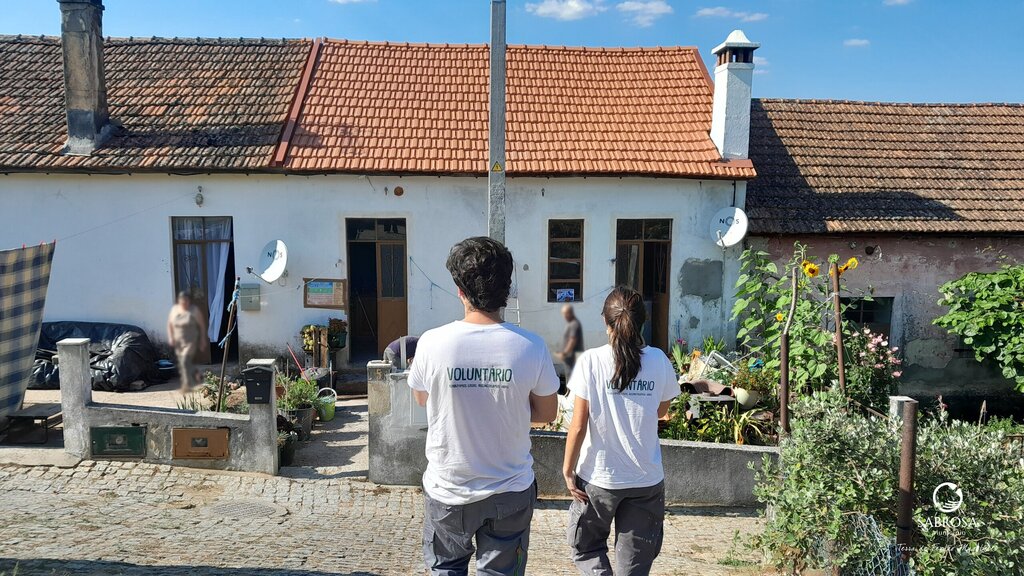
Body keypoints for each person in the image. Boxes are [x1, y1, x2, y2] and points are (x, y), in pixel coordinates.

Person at [408, 236, 560, 576]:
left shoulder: (432, 343)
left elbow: (421, 398)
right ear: (506, 289)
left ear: (459, 290)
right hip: (510, 488)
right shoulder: (531, 346)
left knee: (446, 569)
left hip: (449, 490)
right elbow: (547, 414)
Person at [562, 286, 680, 576]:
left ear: (605, 321)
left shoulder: (590, 361)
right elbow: (661, 411)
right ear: (643, 321)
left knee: (587, 549)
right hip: (645, 480)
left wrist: (567, 469)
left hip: (598, 478)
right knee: (634, 565)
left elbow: (578, 425)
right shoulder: (659, 360)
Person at [167, 291, 207, 393]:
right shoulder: (175, 310)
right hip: (178, 341)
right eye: (183, 301)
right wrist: (171, 337)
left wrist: (202, 339)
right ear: (179, 301)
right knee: (183, 362)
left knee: (184, 361)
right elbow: (170, 324)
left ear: (189, 301)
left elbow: (202, 326)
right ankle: (197, 374)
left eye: (186, 301)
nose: (185, 303)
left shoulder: (194, 310)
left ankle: (187, 385)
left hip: (191, 341)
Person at [556, 304, 584, 378]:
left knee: (572, 378)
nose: (564, 316)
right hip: (571, 357)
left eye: (565, 314)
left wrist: (564, 353)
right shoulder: (572, 323)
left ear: (570, 313)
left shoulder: (574, 324)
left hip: (572, 358)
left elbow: (573, 340)